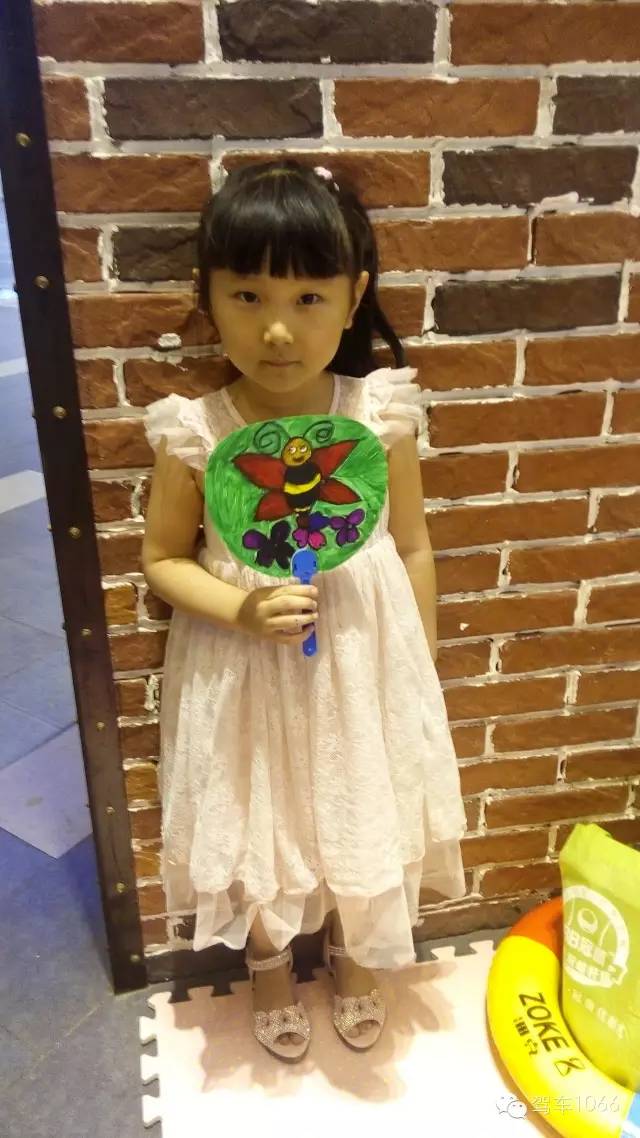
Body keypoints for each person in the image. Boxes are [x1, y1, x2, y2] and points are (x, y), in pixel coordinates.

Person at [141, 157, 468, 1063]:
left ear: (354, 297)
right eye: (247, 295)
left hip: (361, 658)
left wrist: (417, 668)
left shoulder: (378, 416)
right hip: (244, 666)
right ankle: (269, 961)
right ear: (208, 295)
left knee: (360, 795)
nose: (277, 328)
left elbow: (413, 545)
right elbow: (163, 558)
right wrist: (240, 609)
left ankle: (357, 954)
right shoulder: (196, 432)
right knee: (259, 806)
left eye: (309, 298)